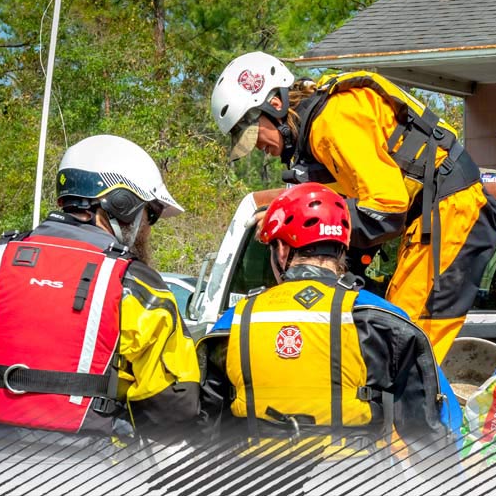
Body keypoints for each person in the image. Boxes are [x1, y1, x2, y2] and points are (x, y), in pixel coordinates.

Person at [0, 135, 201, 467]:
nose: (147, 228)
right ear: (121, 205)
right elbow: (173, 412)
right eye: (149, 214)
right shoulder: (136, 287)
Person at [211, 51, 496, 365]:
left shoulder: (333, 121)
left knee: (408, 340)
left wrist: (309, 221)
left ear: (275, 105)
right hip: (430, 214)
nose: (257, 147)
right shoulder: (314, 141)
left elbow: (386, 209)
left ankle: (417, 413)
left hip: (454, 210)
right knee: (398, 332)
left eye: (253, 133)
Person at [184, 183, 459, 492]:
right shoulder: (382, 320)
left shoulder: (234, 322)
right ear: (342, 251)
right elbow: (430, 430)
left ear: (283, 249)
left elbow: (207, 429)